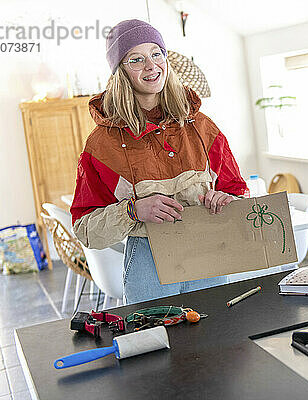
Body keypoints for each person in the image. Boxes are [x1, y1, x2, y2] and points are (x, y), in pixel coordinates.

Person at [70, 19, 247, 304]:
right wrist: (133, 210)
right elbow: (85, 229)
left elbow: (238, 192)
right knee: (157, 344)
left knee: (216, 343)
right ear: (120, 72)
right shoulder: (102, 144)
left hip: (210, 254)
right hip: (148, 265)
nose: (151, 66)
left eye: (156, 53)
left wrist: (226, 199)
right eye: (136, 59)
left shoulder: (201, 127)